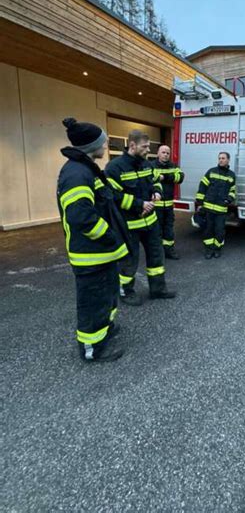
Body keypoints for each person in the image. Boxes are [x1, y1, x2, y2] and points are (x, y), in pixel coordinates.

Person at [57, 117, 133, 363]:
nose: (106, 143)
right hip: (91, 255)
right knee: (92, 302)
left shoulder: (87, 169)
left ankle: (105, 331)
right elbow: (81, 218)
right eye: (103, 140)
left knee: (106, 297)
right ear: (92, 146)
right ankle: (92, 348)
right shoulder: (76, 174)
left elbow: (110, 200)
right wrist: (110, 236)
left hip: (102, 254)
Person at [105, 130, 176, 304]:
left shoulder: (147, 165)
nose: (148, 150)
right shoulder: (114, 168)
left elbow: (155, 182)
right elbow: (112, 195)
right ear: (132, 146)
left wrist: (157, 193)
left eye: (148, 146)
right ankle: (126, 292)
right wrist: (139, 204)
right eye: (144, 147)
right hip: (129, 225)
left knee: (156, 256)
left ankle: (158, 289)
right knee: (129, 261)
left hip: (151, 223)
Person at [195, 152, 236, 259]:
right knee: (208, 230)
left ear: (228, 160)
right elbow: (202, 186)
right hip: (208, 208)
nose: (221, 160)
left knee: (219, 231)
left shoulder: (231, 175)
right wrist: (200, 202)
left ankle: (217, 249)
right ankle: (208, 249)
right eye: (219, 158)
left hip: (221, 210)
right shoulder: (211, 171)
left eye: (223, 158)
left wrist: (228, 200)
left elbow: (232, 190)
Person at [154, 144, 184, 259]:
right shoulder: (151, 165)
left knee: (169, 229)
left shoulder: (173, 166)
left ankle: (169, 251)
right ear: (158, 153)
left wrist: (164, 177)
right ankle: (157, 252)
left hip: (169, 205)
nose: (166, 155)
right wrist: (169, 176)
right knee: (156, 230)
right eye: (163, 152)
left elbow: (180, 177)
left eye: (167, 153)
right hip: (156, 206)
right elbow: (151, 178)